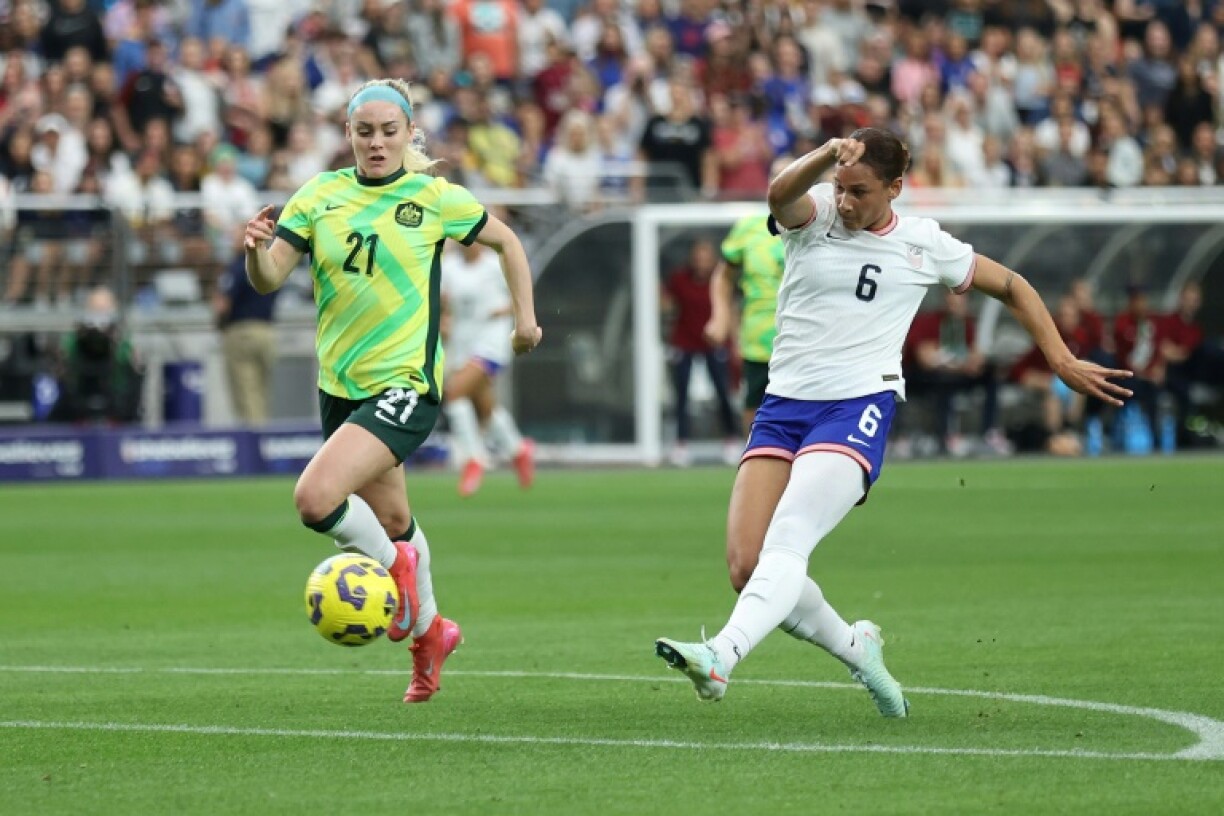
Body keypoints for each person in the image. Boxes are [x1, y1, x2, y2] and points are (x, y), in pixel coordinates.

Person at [653, 129, 1132, 716]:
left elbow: (1012, 285)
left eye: (859, 191)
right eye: (841, 187)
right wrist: (827, 156)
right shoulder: (816, 213)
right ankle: (858, 649)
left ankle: (721, 656)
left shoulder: (924, 243)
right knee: (746, 565)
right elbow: (779, 195)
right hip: (784, 406)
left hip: (855, 407)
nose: (846, 201)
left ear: (895, 188)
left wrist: (1060, 359)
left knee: (789, 538)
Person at [243, 78, 542, 703]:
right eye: (364, 132)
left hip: (405, 384)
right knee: (394, 520)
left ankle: (395, 571)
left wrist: (525, 322)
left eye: (388, 131)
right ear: (347, 135)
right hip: (339, 388)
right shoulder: (319, 195)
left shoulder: (433, 197)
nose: (376, 143)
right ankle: (432, 635)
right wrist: (254, 252)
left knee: (315, 498)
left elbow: (507, 242)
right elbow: (268, 278)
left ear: (409, 134)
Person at [440, 237, 536, 497]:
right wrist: (445, 321)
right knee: (481, 405)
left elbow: (521, 292)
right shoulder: (449, 267)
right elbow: (444, 304)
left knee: (455, 393)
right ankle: (518, 449)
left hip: (491, 342)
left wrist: (508, 311)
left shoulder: (495, 265)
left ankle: (472, 459)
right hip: (462, 343)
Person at [705, 155, 791, 435]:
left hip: (808, 341)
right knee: (755, 416)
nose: (783, 182)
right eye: (777, 176)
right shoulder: (749, 228)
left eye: (790, 175)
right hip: (759, 340)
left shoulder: (820, 229)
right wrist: (720, 317)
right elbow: (723, 276)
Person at [661, 237, 741, 467]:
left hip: (714, 342)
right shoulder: (679, 279)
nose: (701, 262)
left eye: (706, 257)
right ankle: (681, 444)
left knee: (723, 393)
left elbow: (730, 310)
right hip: (685, 342)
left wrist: (735, 342)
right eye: (698, 257)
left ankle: (731, 440)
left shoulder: (721, 279)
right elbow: (667, 304)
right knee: (681, 396)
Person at [906, 290, 1012, 457]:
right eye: (952, 300)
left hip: (955, 375)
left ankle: (989, 433)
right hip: (925, 378)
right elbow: (925, 359)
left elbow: (973, 356)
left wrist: (970, 363)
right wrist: (958, 364)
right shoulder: (928, 322)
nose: (956, 305)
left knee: (990, 375)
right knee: (943, 382)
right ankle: (944, 437)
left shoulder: (967, 324)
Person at [50, 285, 143, 424]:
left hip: (117, 402)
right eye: (96, 308)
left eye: (104, 308)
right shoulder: (74, 339)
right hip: (78, 403)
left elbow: (134, 368)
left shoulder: (124, 339)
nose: (100, 314)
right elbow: (63, 365)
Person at [214, 232, 279, 426]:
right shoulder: (271, 263)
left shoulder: (237, 266)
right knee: (262, 394)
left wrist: (219, 324)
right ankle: (263, 434)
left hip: (241, 332)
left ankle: (253, 441)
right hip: (267, 331)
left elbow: (223, 304)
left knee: (246, 395)